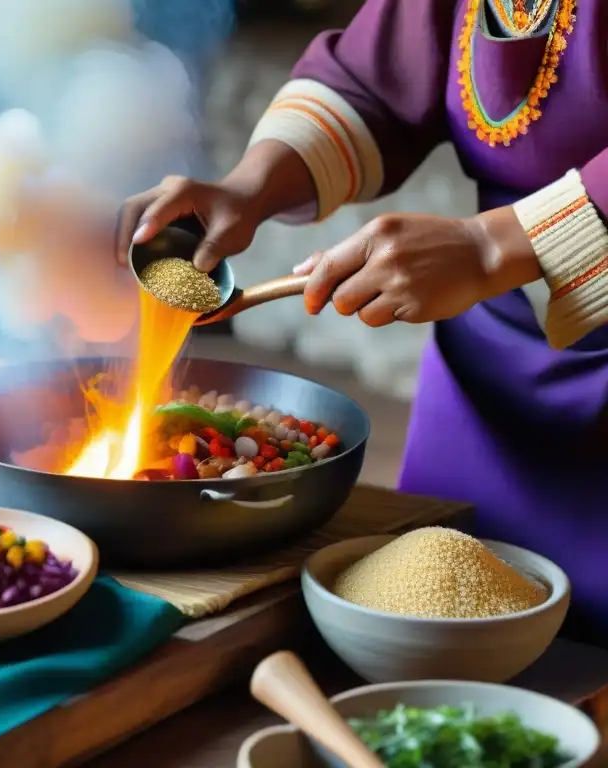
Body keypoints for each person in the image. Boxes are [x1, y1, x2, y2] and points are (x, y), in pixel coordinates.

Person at [117, 0, 608, 639]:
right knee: (433, 619)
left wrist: (492, 249)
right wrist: (250, 186)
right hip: (487, 358)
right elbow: (374, 80)